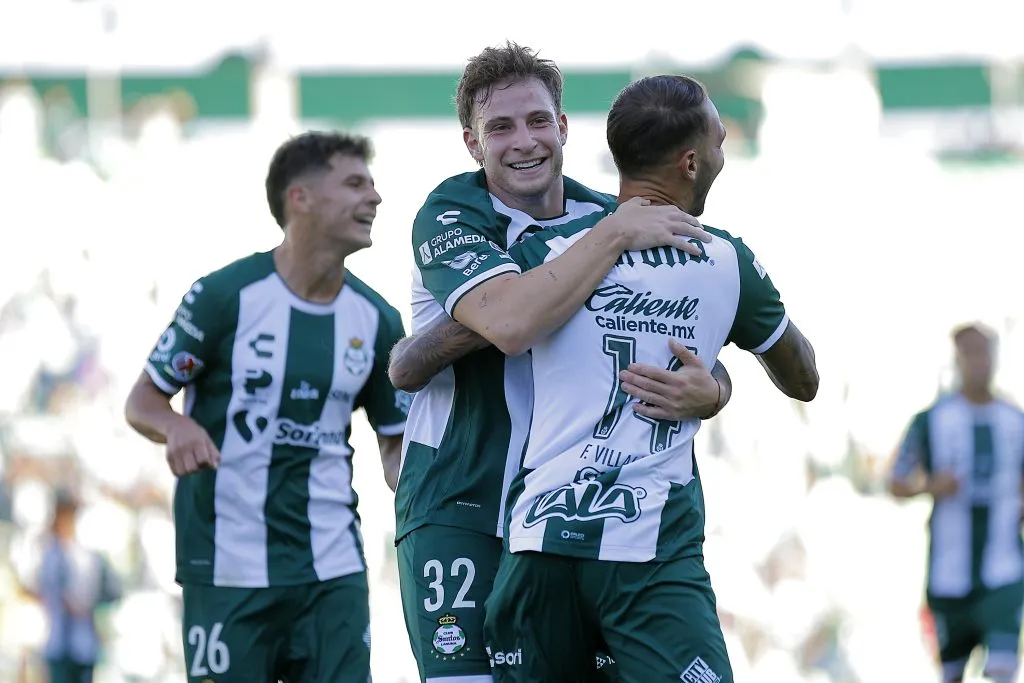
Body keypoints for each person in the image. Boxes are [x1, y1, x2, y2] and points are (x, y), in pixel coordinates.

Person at [388, 44, 732, 683]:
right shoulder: (455, 210)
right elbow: (510, 326)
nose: (524, 142)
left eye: (538, 121)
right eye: (501, 127)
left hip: (567, 517)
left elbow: (697, 335)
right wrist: (603, 247)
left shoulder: (609, 216)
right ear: (472, 143)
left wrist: (711, 390)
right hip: (460, 501)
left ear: (565, 127)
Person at [478, 74, 819, 683]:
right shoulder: (724, 260)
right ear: (691, 162)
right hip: (647, 549)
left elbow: (425, 355)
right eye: (718, 141)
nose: (721, 153)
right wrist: (716, 380)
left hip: (539, 544)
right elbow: (803, 377)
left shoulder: (544, 251)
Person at [124, 131, 409, 683]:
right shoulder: (224, 296)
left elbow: (393, 442)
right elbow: (143, 400)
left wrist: (422, 481)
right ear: (298, 198)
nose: (374, 199)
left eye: (373, 186)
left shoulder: (378, 320)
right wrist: (175, 426)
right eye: (354, 184)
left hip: (333, 566)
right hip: (227, 565)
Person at [889, 324, 1024, 683]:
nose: (980, 362)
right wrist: (930, 485)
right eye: (971, 353)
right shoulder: (931, 421)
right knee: (951, 674)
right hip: (948, 579)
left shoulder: (1016, 422)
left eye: (985, 352)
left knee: (1002, 669)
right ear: (957, 360)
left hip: (1004, 572)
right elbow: (895, 481)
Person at [33, 488, 122, 683]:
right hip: (57, 644)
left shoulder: (89, 556)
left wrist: (88, 605)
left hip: (83, 644)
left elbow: (114, 590)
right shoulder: (48, 552)